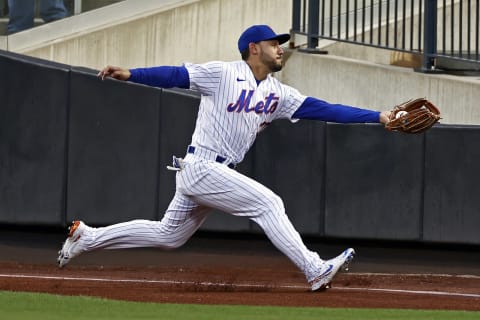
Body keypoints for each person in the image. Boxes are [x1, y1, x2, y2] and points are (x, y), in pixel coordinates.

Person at [57, 25, 391, 291]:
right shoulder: (223, 73)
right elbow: (176, 75)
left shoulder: (278, 93)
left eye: (281, 44)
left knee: (168, 236)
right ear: (254, 48)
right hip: (202, 165)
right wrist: (133, 74)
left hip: (211, 172)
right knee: (268, 203)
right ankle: (314, 269)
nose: (281, 48)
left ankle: (88, 237)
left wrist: (378, 116)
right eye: (274, 43)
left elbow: (326, 109)